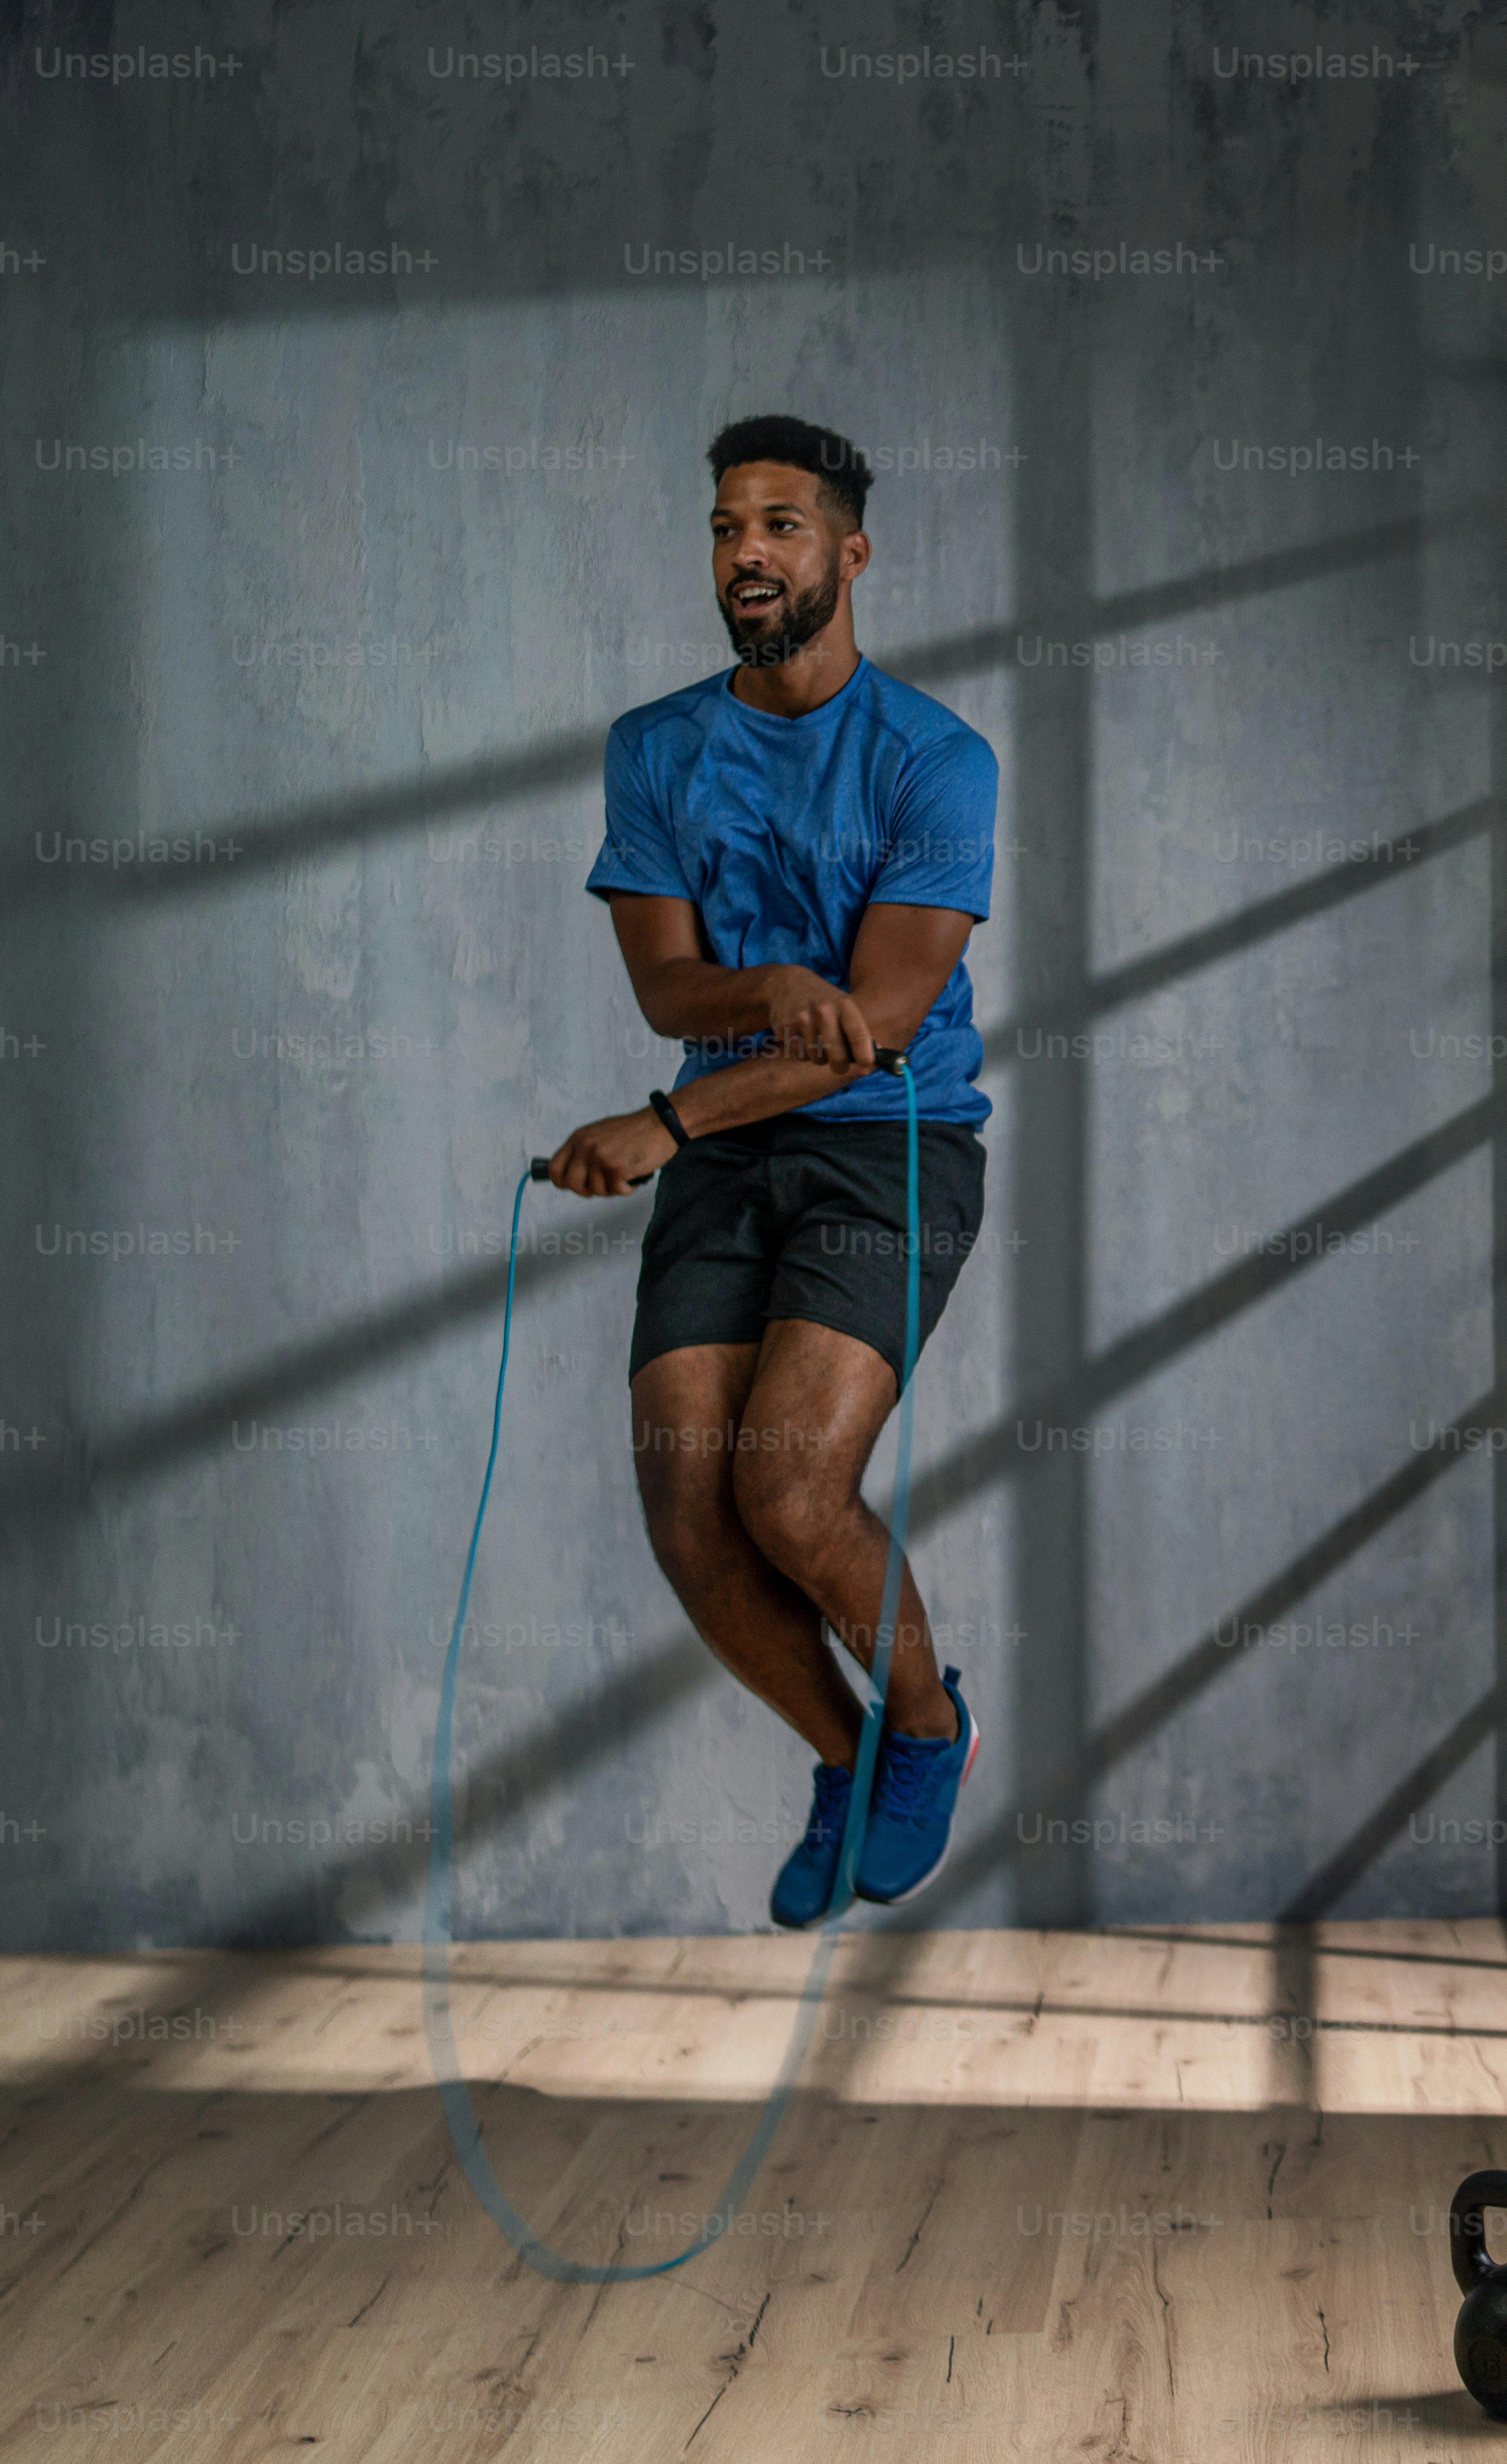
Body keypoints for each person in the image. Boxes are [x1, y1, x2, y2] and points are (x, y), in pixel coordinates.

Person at [540, 414, 993, 1926]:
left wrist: (666, 1124)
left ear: (849, 554)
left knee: (789, 1490)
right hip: (736, 1143)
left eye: (783, 526)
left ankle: (926, 1727)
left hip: (889, 1150)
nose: (750, 553)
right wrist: (770, 984)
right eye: (729, 526)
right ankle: (843, 1749)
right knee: (688, 1504)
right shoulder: (655, 748)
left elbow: (880, 1031)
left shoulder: (936, 760)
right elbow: (671, 989)